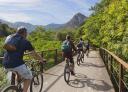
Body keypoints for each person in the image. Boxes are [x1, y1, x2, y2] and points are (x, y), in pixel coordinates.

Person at [2, 26, 45, 92]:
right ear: (25, 33)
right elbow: (34, 54)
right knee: (29, 77)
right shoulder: (25, 41)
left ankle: (17, 87)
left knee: (18, 73)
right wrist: (41, 59)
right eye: (26, 33)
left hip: (5, 63)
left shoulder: (9, 37)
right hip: (16, 64)